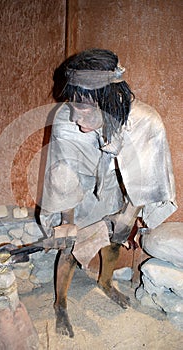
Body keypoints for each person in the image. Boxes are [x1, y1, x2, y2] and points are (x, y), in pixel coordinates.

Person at [39, 49, 177, 337]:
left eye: (86, 110)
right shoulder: (66, 119)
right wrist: (68, 220)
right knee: (70, 245)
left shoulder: (145, 122)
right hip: (83, 189)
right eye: (73, 108)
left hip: (117, 185)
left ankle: (105, 282)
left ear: (108, 100)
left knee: (114, 239)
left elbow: (145, 177)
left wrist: (128, 215)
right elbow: (64, 173)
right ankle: (60, 304)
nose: (77, 119)